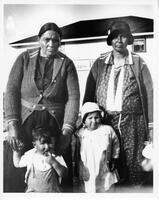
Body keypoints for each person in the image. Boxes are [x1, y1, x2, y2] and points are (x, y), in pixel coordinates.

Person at [4, 22, 80, 192]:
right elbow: (11, 91)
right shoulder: (24, 58)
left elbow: (73, 98)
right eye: (47, 39)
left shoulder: (67, 64)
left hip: (54, 124)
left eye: (55, 40)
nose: (51, 44)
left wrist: (67, 131)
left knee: (56, 168)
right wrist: (12, 125)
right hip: (25, 121)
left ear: (60, 42)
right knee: (15, 167)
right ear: (39, 40)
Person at [83, 20, 153, 187]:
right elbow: (89, 92)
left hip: (133, 123)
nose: (119, 40)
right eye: (115, 37)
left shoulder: (138, 62)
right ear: (110, 40)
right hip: (105, 122)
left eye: (123, 36)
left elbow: (150, 95)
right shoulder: (100, 63)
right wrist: (85, 118)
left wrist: (151, 126)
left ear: (128, 39)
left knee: (133, 162)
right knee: (106, 162)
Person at [75, 102, 120, 193]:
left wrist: (115, 158)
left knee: (106, 185)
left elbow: (116, 144)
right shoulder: (81, 133)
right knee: (90, 186)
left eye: (96, 117)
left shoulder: (107, 130)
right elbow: (77, 151)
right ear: (84, 120)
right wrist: (79, 166)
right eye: (90, 118)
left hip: (104, 165)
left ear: (101, 117)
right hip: (88, 165)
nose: (94, 121)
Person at [12, 126, 68, 192]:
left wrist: (54, 163)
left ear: (54, 141)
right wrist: (16, 150)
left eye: (50, 143)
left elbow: (64, 174)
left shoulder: (56, 155)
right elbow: (17, 163)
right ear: (34, 145)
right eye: (43, 143)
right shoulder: (30, 155)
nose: (47, 147)